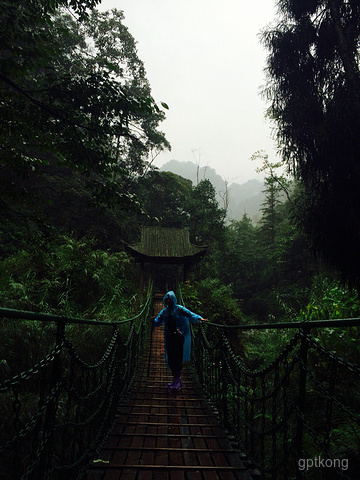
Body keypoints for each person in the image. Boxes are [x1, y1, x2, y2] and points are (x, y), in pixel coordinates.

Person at [152, 291, 207, 391]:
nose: (168, 300)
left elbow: (190, 314)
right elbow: (158, 321)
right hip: (169, 337)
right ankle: (175, 380)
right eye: (166, 299)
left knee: (177, 357)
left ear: (173, 299)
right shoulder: (164, 312)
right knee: (171, 358)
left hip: (178, 337)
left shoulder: (179, 309)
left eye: (170, 298)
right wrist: (153, 321)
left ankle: (178, 381)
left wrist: (199, 318)